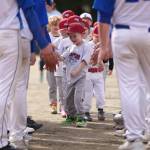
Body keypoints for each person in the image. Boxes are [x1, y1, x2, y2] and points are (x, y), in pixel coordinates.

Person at [93, 0, 150, 149]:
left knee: (129, 87)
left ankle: (135, 138)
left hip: (123, 32)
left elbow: (104, 12)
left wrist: (105, 46)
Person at [58, 22, 91, 128]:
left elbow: (85, 61)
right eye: (70, 36)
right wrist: (55, 55)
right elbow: (62, 57)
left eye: (75, 36)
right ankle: (71, 116)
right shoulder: (71, 47)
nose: (72, 38)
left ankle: (81, 117)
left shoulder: (86, 46)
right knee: (68, 99)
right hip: (70, 78)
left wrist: (77, 70)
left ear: (82, 34)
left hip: (80, 77)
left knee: (77, 98)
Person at [84, 25, 105, 122]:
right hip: (88, 73)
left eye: (100, 37)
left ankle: (101, 110)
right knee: (87, 93)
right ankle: (86, 112)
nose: (98, 39)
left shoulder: (104, 45)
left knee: (100, 93)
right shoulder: (87, 45)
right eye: (96, 36)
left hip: (98, 73)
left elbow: (105, 59)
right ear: (92, 35)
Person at [47, 16, 61, 114]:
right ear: (50, 26)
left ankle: (63, 106)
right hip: (50, 64)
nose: (56, 27)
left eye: (58, 25)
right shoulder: (47, 36)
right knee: (52, 86)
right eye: (54, 25)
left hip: (61, 65)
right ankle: (53, 104)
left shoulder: (63, 36)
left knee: (61, 86)